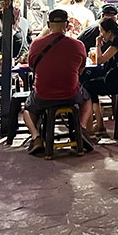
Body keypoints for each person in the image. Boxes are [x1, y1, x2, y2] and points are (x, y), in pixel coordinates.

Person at [22, 9, 93, 156]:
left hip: (43, 96)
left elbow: (31, 67)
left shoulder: (36, 45)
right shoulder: (78, 45)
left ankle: (36, 137)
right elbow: (81, 70)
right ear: (67, 25)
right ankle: (81, 129)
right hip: (70, 95)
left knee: (28, 109)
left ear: (48, 24)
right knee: (87, 99)